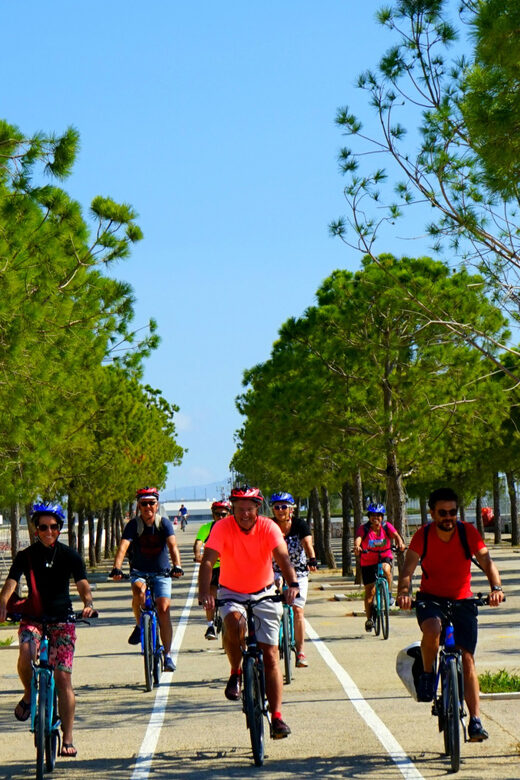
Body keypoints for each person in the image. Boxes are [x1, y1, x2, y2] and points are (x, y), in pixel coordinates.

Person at [397, 487, 504, 742]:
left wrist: (496, 589)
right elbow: (407, 571)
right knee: (432, 629)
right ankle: (426, 674)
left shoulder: (468, 533)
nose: (448, 517)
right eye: (442, 513)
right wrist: (404, 593)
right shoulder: (422, 536)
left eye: (452, 512)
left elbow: (488, 563)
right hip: (430, 599)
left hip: (463, 600)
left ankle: (475, 721)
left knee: (467, 658)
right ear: (432, 513)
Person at [198, 485, 299, 739]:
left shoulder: (268, 527)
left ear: (258, 509)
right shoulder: (221, 528)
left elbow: (283, 558)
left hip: (264, 591)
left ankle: (276, 717)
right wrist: (205, 592)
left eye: (250, 509)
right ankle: (236, 672)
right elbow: (208, 561)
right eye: (239, 509)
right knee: (233, 622)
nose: (244, 514)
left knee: (271, 654)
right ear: (232, 509)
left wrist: (292, 584)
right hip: (231, 591)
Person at [0, 502, 96, 758]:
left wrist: (88, 603)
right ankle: (29, 695)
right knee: (24, 651)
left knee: (63, 678)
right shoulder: (26, 556)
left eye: (54, 527)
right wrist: (2, 601)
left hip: (63, 619)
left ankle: (68, 738)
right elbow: (12, 581)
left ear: (60, 528)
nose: (48, 531)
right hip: (34, 617)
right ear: (35, 529)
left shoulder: (69, 555)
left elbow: (83, 584)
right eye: (43, 527)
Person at [110, 487, 183, 672]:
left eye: (151, 503)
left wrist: (177, 566)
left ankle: (167, 655)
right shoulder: (133, 525)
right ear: (138, 505)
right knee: (139, 592)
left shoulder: (163, 524)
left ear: (157, 505)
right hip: (139, 571)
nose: (148, 507)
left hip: (162, 572)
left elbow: (172, 546)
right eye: (144, 503)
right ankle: (139, 624)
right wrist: (116, 568)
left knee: (164, 608)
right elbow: (123, 547)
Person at [270, 491, 317, 667]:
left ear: (291, 509)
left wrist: (312, 558)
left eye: (284, 507)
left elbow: (307, 544)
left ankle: (301, 651)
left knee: (297, 610)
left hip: (298, 572)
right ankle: (271, 649)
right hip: (275, 570)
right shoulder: (269, 526)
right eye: (277, 507)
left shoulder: (299, 524)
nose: (280, 510)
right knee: (271, 610)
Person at [354, 503, 405, 631]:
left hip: (384, 555)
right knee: (369, 592)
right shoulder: (364, 528)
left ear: (382, 517)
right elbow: (358, 539)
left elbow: (396, 535)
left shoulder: (386, 526)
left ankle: (388, 594)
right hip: (368, 561)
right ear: (369, 517)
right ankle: (369, 619)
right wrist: (357, 547)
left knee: (386, 569)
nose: (375, 518)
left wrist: (400, 543)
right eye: (372, 515)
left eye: (378, 515)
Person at [193, 499, 231, 639]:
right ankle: (210, 626)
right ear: (213, 515)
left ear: (229, 514)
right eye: (217, 514)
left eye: (223, 514)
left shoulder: (234, 527)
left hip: (230, 566)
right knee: (210, 594)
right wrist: (198, 554)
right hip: (213, 566)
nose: (220, 517)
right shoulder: (206, 528)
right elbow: (198, 543)